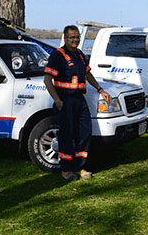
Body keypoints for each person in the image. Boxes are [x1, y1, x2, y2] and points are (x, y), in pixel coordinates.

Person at [44, 25, 111, 180]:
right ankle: (66, 169)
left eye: (77, 37)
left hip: (79, 100)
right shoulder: (58, 55)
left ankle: (80, 167)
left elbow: (88, 74)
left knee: (84, 133)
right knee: (67, 135)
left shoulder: (80, 55)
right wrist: (57, 100)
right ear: (65, 38)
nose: (75, 40)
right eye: (71, 37)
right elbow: (47, 80)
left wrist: (101, 89)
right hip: (65, 100)